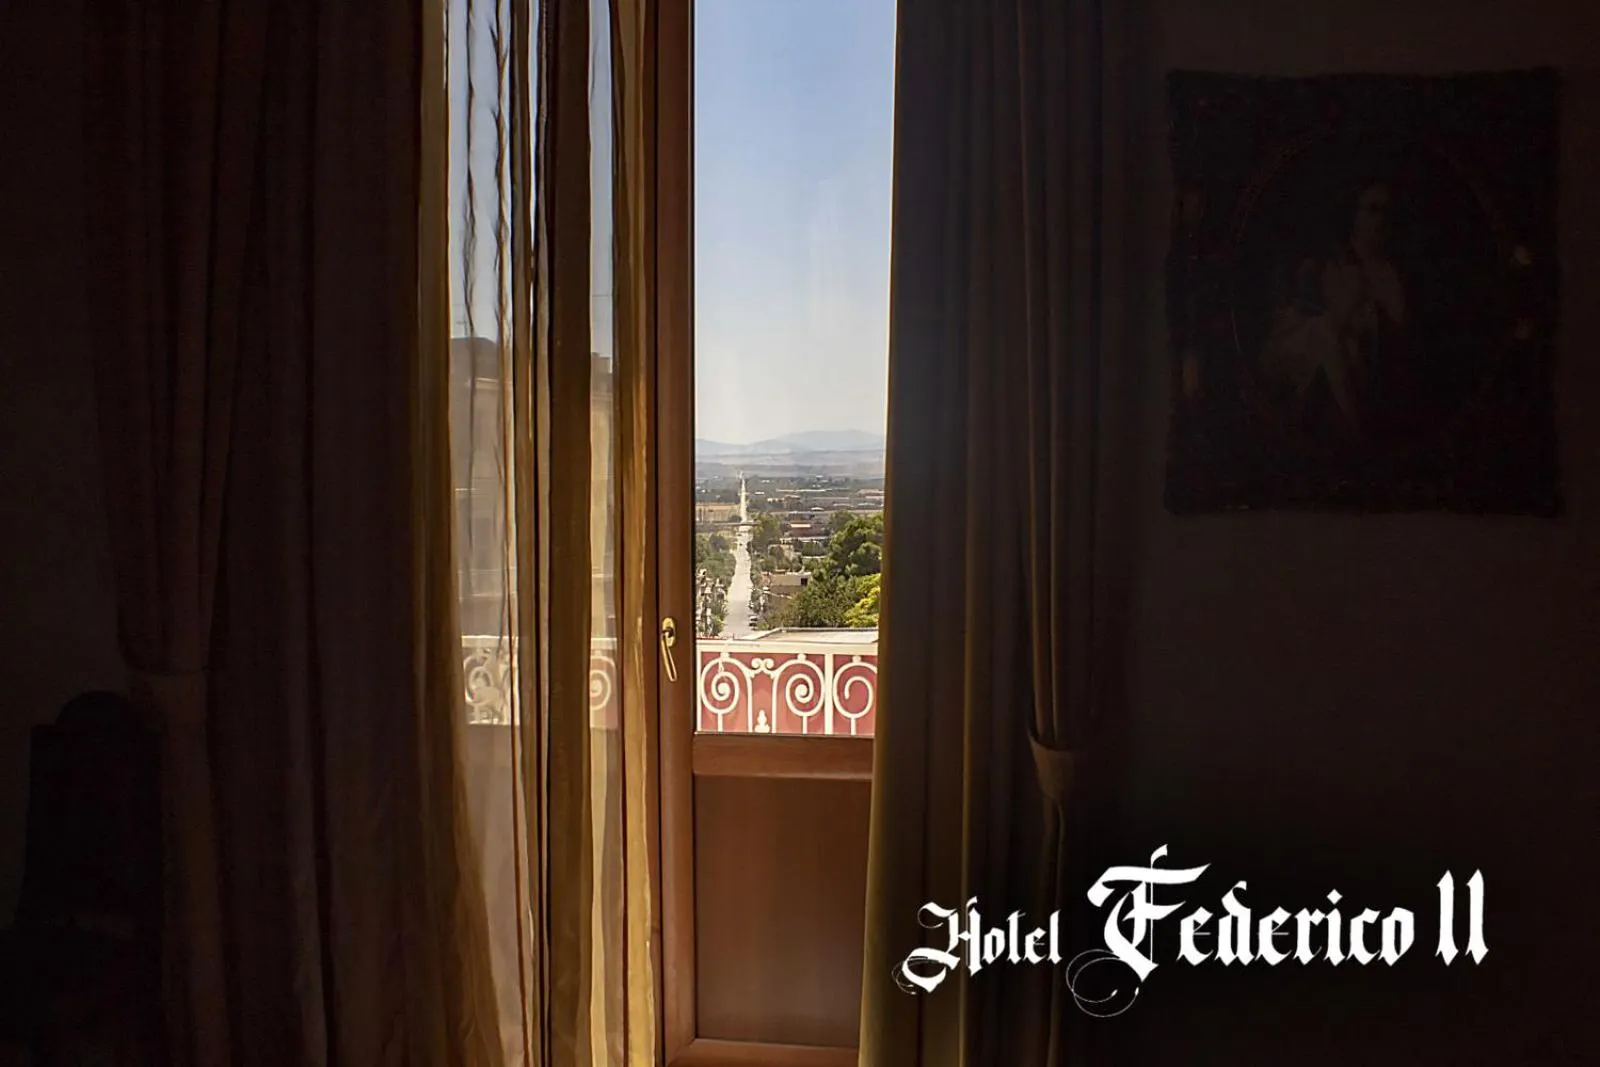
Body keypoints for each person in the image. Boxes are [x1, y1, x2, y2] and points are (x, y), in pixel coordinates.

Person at [1260, 181, 1408, 437]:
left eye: (1386, 212)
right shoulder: (1326, 264)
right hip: (1319, 371)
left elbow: (1396, 336)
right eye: (1372, 210)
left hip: (1373, 373)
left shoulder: (1393, 275)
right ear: (1355, 215)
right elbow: (1306, 320)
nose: (1380, 220)